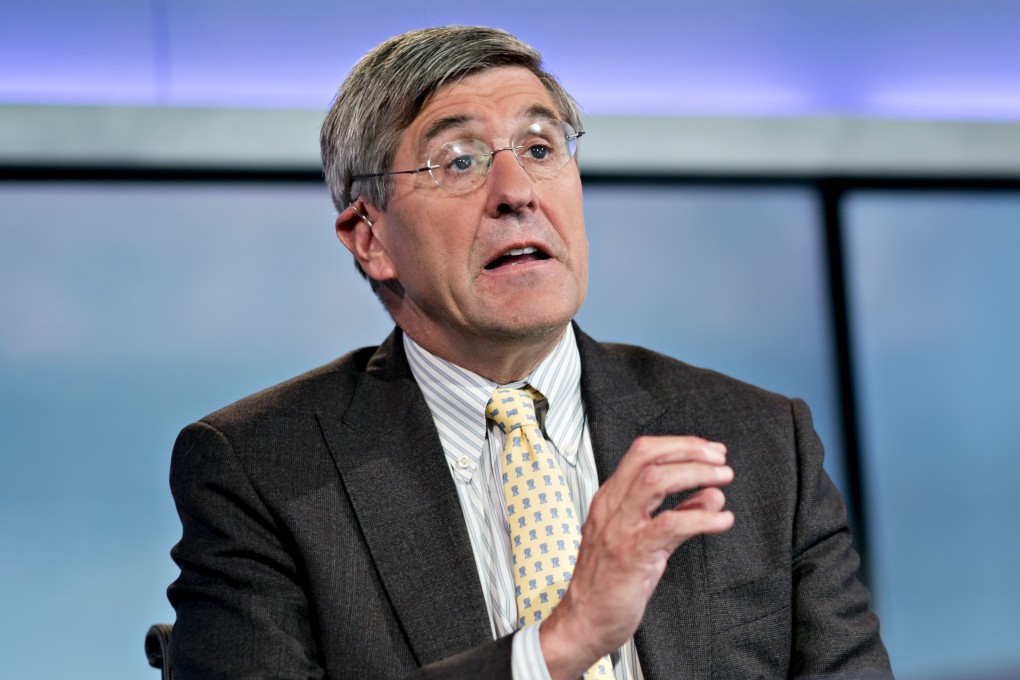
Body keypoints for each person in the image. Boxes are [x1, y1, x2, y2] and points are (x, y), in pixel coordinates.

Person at [166, 25, 892, 680]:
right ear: (370, 238)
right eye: (458, 162)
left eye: (541, 149)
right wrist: (558, 645)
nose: (516, 192)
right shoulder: (261, 470)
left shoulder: (759, 440)